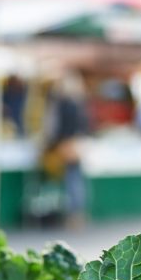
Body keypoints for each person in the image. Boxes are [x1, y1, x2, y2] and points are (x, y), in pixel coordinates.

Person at [42, 71, 89, 228]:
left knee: (72, 180)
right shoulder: (79, 103)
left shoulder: (64, 103)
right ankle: (78, 214)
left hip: (67, 144)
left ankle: (74, 214)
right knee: (76, 180)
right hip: (77, 144)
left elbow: (58, 127)